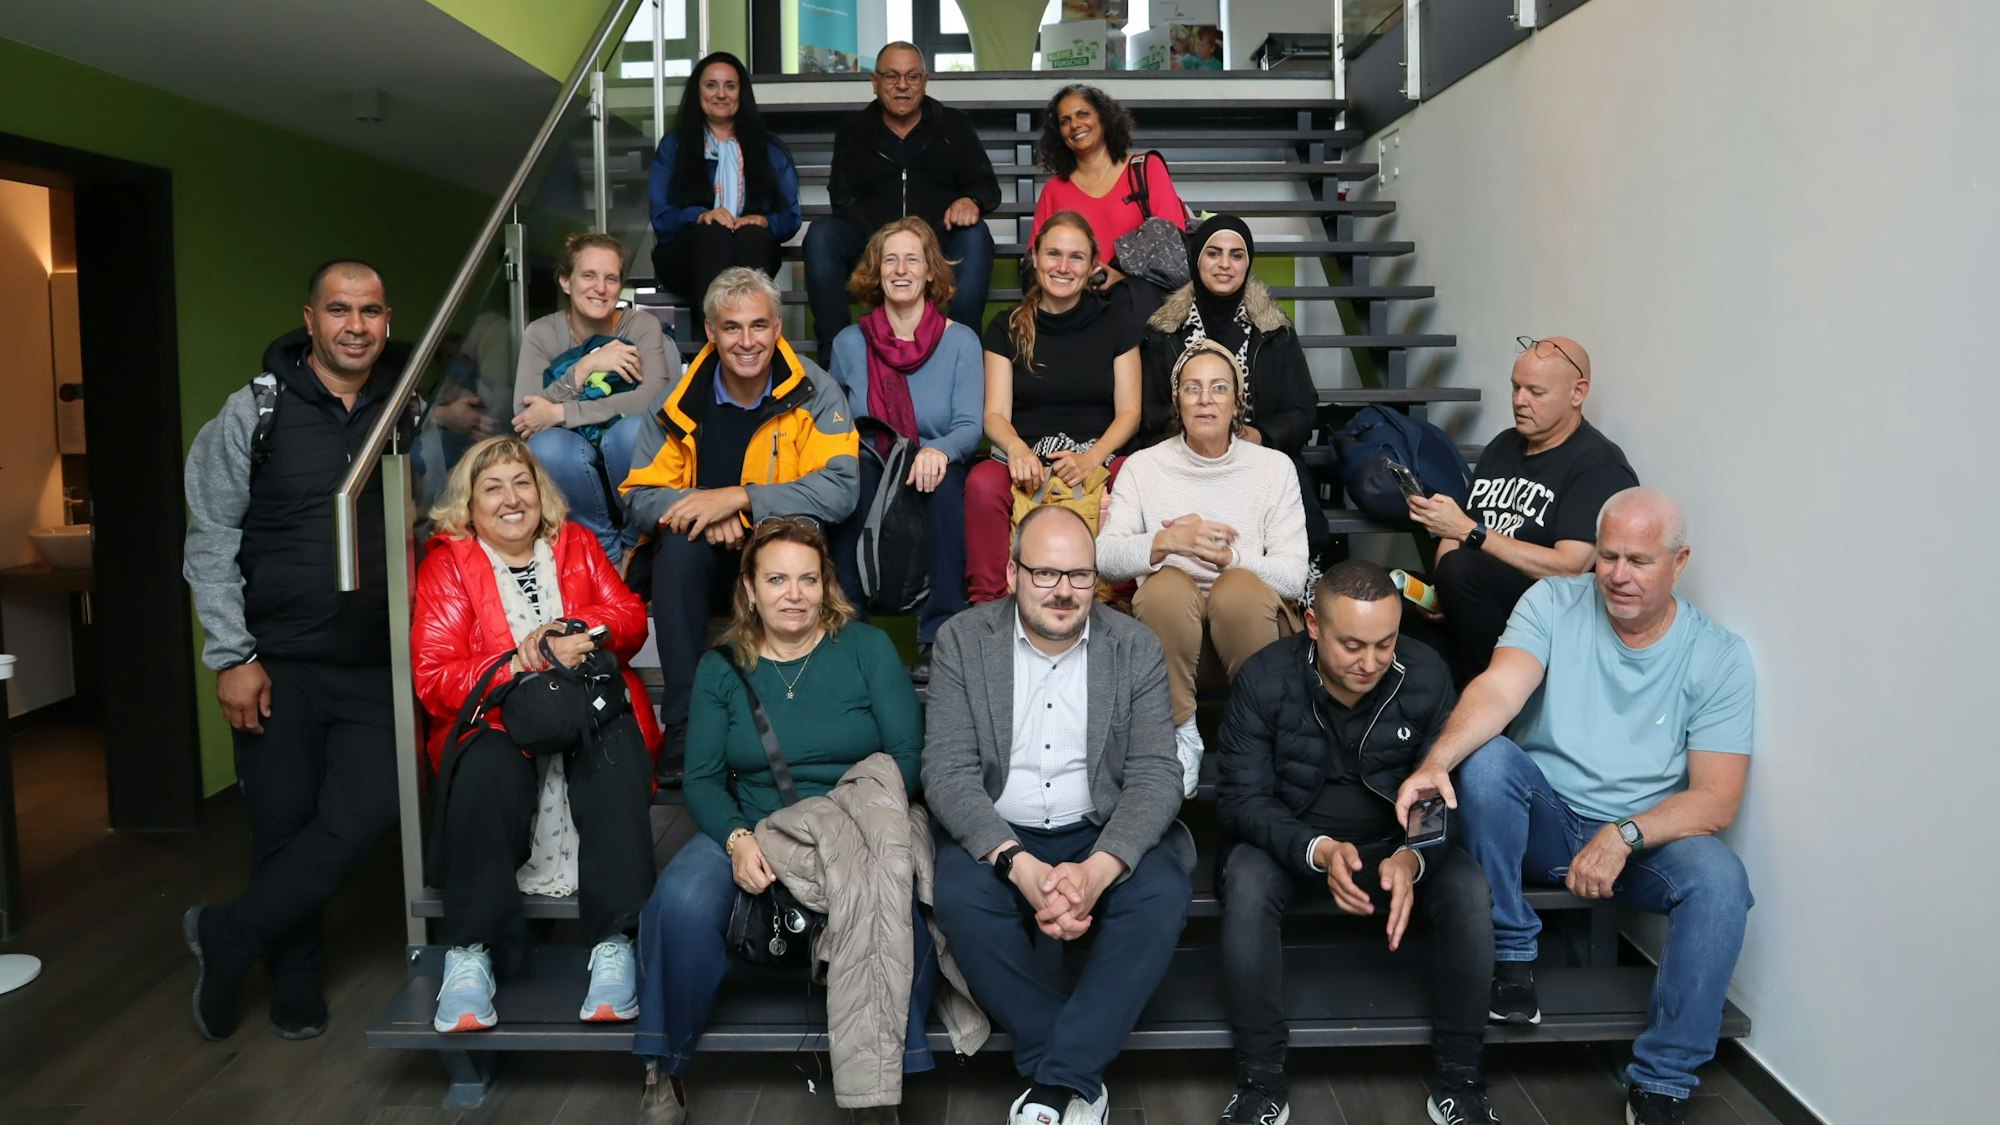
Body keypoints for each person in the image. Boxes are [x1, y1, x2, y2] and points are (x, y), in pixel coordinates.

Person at [1395, 488, 1755, 1125]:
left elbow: (1717, 799)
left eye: (1639, 561)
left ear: (1680, 561)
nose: (1617, 575)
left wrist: (1625, 834)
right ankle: (1512, 956)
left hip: (1642, 840)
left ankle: (1663, 1081)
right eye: (1608, 556)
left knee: (1722, 880)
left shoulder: (1718, 655)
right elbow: (1500, 687)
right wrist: (1436, 761)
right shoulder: (1553, 601)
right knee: (1490, 760)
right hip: (1545, 818)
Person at [633, 518, 928, 1125]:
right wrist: (738, 839)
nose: (793, 594)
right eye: (776, 579)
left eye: (807, 579)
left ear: (826, 586)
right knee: (680, 902)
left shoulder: (866, 649)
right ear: (749, 588)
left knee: (900, 919)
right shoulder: (723, 668)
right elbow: (704, 779)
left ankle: (884, 1082)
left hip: (856, 819)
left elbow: (907, 757)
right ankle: (667, 1063)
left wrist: (843, 828)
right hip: (755, 823)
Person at [181, 260, 409, 1041]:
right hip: (276, 661)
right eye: (339, 309)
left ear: (387, 319)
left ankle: (229, 933)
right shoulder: (255, 411)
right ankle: (295, 976)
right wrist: (231, 655)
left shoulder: (408, 407)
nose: (356, 325)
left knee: (372, 808)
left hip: (379, 659)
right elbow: (209, 537)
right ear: (309, 319)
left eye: (371, 310)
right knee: (282, 821)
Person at [922, 505, 1193, 1125]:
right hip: (1001, 832)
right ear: (1013, 572)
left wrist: (1098, 870)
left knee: (1163, 892)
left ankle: (1053, 1082)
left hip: (1100, 826)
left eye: (1078, 575)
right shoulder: (965, 640)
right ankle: (1072, 1072)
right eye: (1045, 574)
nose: (1064, 591)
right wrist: (1016, 865)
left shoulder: (1134, 645)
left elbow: (1157, 773)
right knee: (961, 899)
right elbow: (948, 773)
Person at [1216, 560, 1500, 1125]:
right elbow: (1242, 801)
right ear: (1312, 625)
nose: (1370, 662)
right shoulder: (1262, 677)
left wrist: (1413, 858)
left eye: (1385, 643)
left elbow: (1439, 791)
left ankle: (1461, 1080)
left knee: (1468, 887)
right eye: (1351, 645)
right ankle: (1261, 1080)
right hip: (1294, 844)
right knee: (1245, 882)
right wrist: (1317, 848)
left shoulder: (1424, 672)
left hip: (1392, 844)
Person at [411, 436, 661, 1033]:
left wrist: (581, 632)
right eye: (492, 487)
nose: (510, 498)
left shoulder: (574, 543)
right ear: (468, 504)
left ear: (540, 492)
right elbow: (435, 676)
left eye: (521, 482)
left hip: (586, 708)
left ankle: (614, 945)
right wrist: (518, 661)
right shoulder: (448, 562)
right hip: (493, 719)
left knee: (616, 753)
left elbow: (627, 618)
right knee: (485, 771)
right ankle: (471, 954)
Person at [621, 267, 860, 781]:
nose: (746, 341)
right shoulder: (679, 400)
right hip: (706, 566)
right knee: (677, 551)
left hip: (784, 551)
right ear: (710, 331)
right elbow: (639, 496)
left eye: (758, 326)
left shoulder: (814, 392)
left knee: (796, 553)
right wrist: (706, 513)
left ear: (777, 327)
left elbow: (841, 488)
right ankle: (683, 726)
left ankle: (803, 718)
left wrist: (741, 501)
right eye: (732, 328)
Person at [1097, 340, 1308, 794]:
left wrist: (1229, 558)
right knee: (1166, 584)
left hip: (1254, 636)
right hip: (1171, 643)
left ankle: (1255, 735)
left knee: (1236, 587)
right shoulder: (1143, 467)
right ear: (1177, 400)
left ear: (1237, 402)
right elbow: (1105, 558)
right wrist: (1165, 542)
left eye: (1218, 388)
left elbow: (1293, 576)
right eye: (1192, 389)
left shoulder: (1274, 468)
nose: (1205, 399)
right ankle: (1181, 734)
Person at [1406, 335, 1637, 685]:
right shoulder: (1503, 445)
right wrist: (1438, 592)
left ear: (1578, 393)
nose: (1519, 401)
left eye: (1535, 392)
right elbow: (1456, 532)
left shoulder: (1598, 464)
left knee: (1461, 568)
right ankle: (1430, 701)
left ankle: (1491, 697)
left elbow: (1570, 566)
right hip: (1470, 591)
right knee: (1383, 590)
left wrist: (1472, 535)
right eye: (1515, 388)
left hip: (1542, 611)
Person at [826, 217, 985, 682]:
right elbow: (838, 425)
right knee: (850, 473)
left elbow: (969, 426)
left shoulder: (960, 341)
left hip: (932, 461)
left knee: (946, 477)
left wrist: (937, 450)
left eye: (912, 259)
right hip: (872, 457)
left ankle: (939, 633)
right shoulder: (848, 343)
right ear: (874, 273)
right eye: (889, 259)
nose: (900, 269)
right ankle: (849, 624)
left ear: (930, 272)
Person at [966, 213, 1142, 604]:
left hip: (1098, 452)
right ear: (1035, 257)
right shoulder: (1006, 326)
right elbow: (994, 414)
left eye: (1076, 257)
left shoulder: (1116, 321)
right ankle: (988, 608)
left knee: (1134, 473)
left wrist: (1091, 459)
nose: (1063, 267)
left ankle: (1122, 604)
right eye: (1054, 254)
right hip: (1025, 456)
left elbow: (1130, 411)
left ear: (1094, 265)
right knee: (981, 483)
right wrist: (1016, 450)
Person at [1141, 213, 1328, 558]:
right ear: (1197, 261)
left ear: (1248, 263)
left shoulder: (1274, 331)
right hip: (1185, 456)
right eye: (1213, 253)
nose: (1224, 264)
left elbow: (1302, 410)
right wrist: (1195, 441)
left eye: (1236, 254)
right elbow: (1150, 412)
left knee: (1298, 493)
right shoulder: (1163, 332)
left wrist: (1261, 436)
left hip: (1259, 455)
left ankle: (1295, 597)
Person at [804, 41, 1000, 364]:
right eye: (892, 76)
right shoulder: (853, 130)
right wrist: (887, 243)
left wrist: (971, 199)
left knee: (977, 235)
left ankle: (963, 353)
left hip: (937, 242)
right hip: (871, 243)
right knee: (821, 234)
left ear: (925, 80)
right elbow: (842, 198)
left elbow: (987, 187)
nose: (902, 86)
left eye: (912, 76)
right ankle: (834, 355)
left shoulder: (953, 124)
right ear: (874, 82)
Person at [512, 233, 679, 563]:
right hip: (571, 459)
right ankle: (604, 554)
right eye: (588, 275)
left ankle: (635, 544)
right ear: (565, 281)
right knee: (546, 445)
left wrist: (561, 412)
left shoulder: (641, 325)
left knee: (628, 432)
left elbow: (652, 402)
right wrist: (584, 368)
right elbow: (525, 417)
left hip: (628, 451)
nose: (600, 288)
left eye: (611, 278)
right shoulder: (541, 333)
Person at [646, 52, 801, 307]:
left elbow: (791, 219)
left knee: (751, 234)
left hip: (752, 251)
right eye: (711, 85)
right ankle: (714, 339)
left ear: (742, 93)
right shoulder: (674, 146)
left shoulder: (769, 149)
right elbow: (661, 217)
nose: (721, 94)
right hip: (686, 257)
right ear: (698, 92)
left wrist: (764, 221)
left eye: (730, 86)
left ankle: (748, 334)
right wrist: (698, 216)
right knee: (713, 232)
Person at [1029, 84, 1187, 305]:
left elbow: (1173, 248)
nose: (1074, 124)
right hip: (1077, 304)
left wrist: (1122, 280)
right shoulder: (1054, 189)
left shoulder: (1146, 168)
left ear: (1103, 118)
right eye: (1065, 121)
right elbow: (1035, 260)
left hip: (1139, 304)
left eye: (1082, 114)